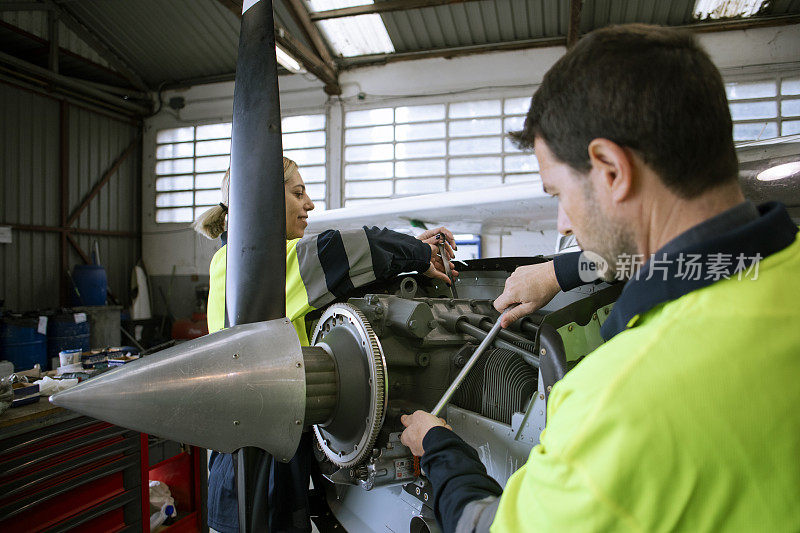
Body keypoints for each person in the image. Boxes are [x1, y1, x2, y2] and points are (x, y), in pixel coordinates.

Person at [400, 24, 800, 532]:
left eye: (558, 194)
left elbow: (487, 525)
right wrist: (560, 271)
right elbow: (679, 260)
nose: (563, 223)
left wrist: (439, 447)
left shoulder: (617, 403)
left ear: (611, 169)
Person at [194, 157, 459, 533]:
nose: (310, 204)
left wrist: (410, 252)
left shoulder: (238, 264)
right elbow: (349, 250)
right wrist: (416, 254)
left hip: (269, 464)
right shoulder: (255, 268)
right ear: (264, 202)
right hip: (255, 479)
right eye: (298, 193)